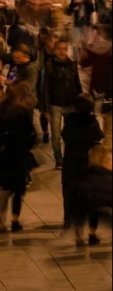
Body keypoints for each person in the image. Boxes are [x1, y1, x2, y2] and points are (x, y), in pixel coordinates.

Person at [0, 83, 38, 233]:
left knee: (4, 189)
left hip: (5, 155)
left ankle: (1, 221)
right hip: (19, 155)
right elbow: (31, 134)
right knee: (18, 190)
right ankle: (15, 220)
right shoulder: (22, 112)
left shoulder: (2, 109)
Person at [60, 93, 103, 239]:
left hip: (71, 160)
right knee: (88, 193)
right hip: (87, 161)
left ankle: (68, 219)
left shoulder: (70, 121)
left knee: (68, 190)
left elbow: (65, 136)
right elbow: (98, 137)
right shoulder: (93, 122)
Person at [41, 37, 82, 169]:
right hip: (55, 104)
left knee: (71, 133)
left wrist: (80, 102)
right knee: (56, 134)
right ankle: (59, 159)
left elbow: (77, 83)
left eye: (65, 49)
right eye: (59, 49)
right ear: (54, 50)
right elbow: (45, 87)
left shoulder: (72, 64)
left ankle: (70, 157)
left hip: (70, 103)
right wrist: (45, 108)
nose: (62, 51)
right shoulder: (49, 65)